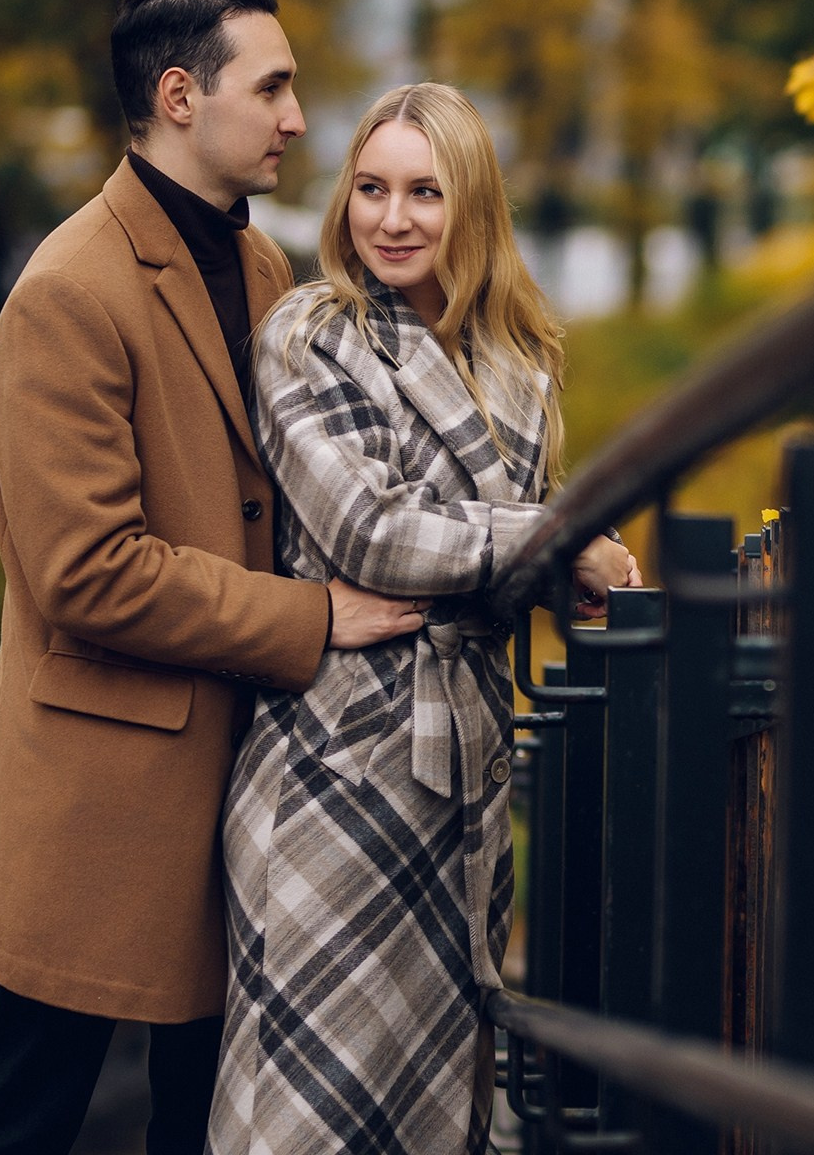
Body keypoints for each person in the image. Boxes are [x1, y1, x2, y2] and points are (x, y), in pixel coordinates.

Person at [0, 0, 428, 1155]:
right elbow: (87, 572)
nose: (296, 119)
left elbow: (347, 464)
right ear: (178, 96)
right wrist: (311, 617)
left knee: (207, 1122)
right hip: (104, 801)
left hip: (250, 785)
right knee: (21, 1116)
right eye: (272, 88)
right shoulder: (66, 292)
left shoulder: (262, 271)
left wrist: (550, 546)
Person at [214, 82, 639, 1155]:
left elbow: (484, 561)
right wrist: (557, 539)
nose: (392, 219)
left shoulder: (522, 358)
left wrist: (571, 572)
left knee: (435, 1108)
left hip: (466, 770)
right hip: (338, 766)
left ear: (473, 205)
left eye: (425, 192)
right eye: (371, 189)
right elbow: (371, 532)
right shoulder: (312, 333)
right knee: (304, 1116)